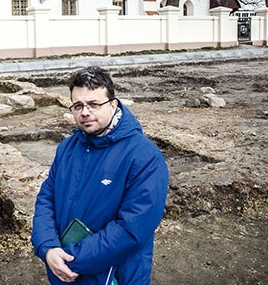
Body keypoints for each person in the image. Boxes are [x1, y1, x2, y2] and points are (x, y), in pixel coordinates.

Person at [31, 66, 169, 285]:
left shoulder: (144, 156)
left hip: (115, 276)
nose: (85, 112)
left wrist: (71, 260)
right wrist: (48, 248)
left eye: (94, 104)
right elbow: (46, 199)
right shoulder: (67, 148)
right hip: (64, 272)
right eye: (78, 105)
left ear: (113, 105)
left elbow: (132, 229)